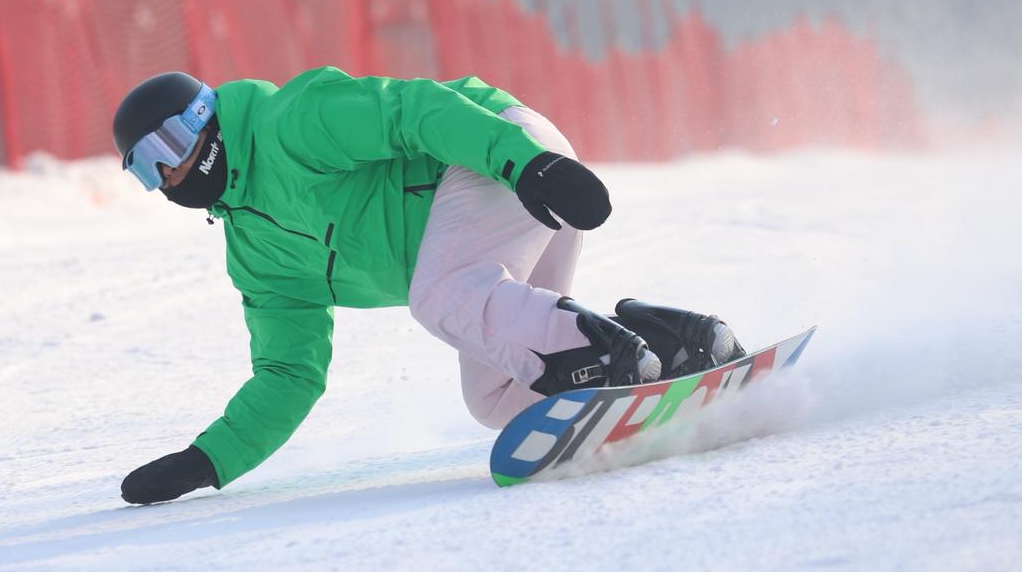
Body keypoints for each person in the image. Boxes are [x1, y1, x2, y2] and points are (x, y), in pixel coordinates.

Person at [113, 67, 744, 505]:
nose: (168, 172)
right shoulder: (255, 256)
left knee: (440, 296)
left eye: (168, 144)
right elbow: (289, 372)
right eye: (147, 168)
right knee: (497, 396)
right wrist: (211, 459)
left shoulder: (290, 123)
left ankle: (612, 361)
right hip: (489, 202)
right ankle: (681, 347)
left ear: (204, 117)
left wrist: (527, 163)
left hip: (492, 148)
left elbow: (416, 111)